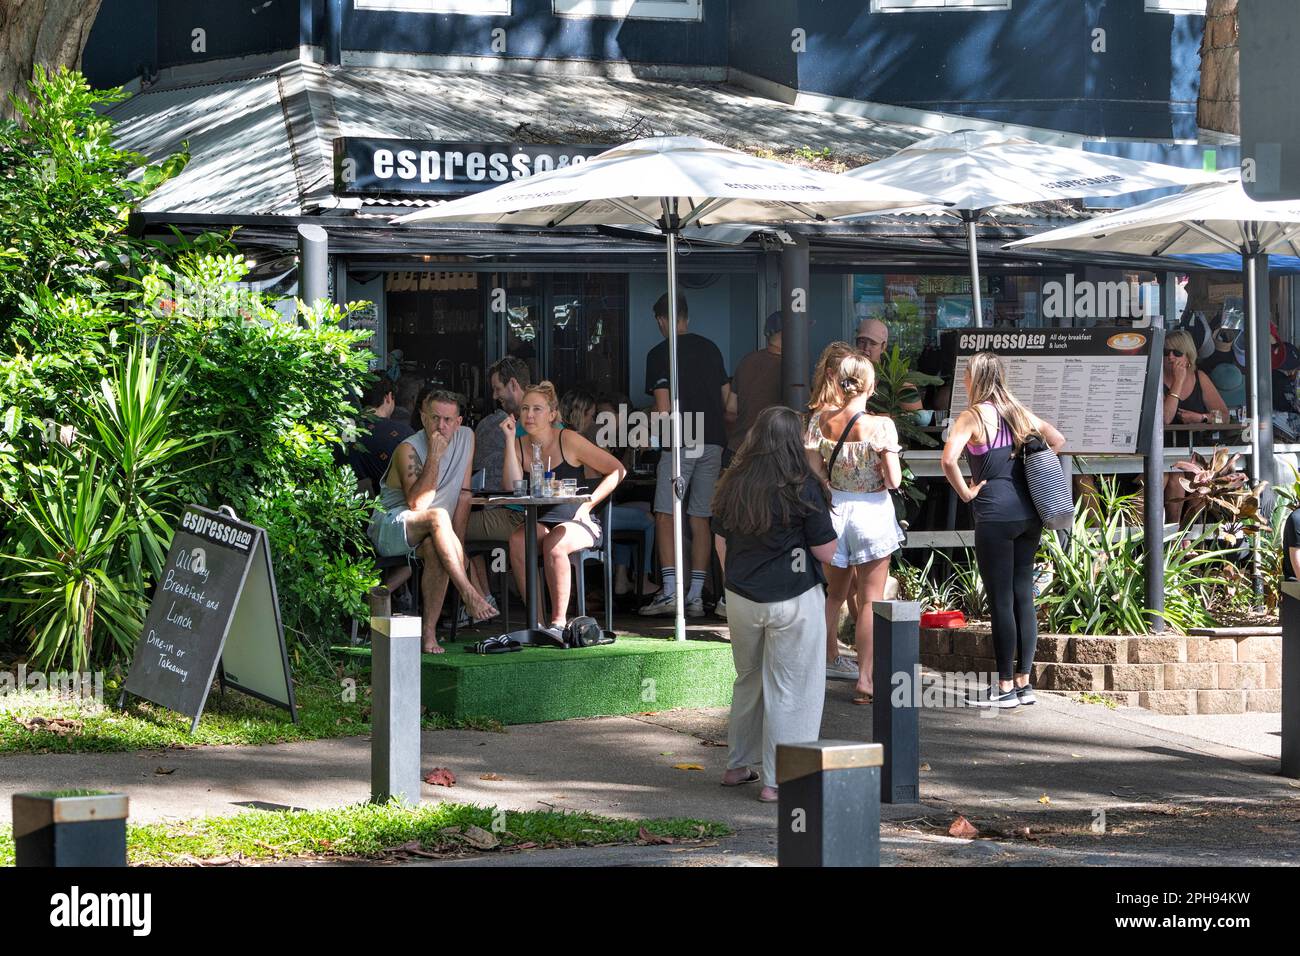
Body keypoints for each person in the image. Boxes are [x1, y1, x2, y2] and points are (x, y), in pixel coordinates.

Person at [713, 406, 838, 803]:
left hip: (741, 596)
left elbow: (720, 541)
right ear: (795, 442)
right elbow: (826, 551)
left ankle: (737, 765)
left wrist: (735, 579)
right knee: (792, 687)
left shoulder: (733, 482)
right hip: (794, 598)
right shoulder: (805, 486)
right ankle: (778, 780)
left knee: (748, 678)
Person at [941, 352, 1065, 709]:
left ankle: (1005, 686)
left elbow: (948, 459)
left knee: (1000, 600)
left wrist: (966, 491)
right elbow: (1057, 439)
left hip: (994, 515)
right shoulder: (1018, 412)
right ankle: (1025, 683)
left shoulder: (972, 416)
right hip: (1029, 514)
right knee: (1023, 595)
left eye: (966, 376)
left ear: (974, 379)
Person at [805, 343, 905, 701]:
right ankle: (866, 680)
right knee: (870, 599)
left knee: (831, 597)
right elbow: (893, 480)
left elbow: (814, 473)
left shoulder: (821, 420)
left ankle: (813, 670)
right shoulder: (881, 426)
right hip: (872, 513)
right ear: (870, 386)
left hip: (835, 511)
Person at [369, 389, 499, 654]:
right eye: (435, 418)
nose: (441, 426)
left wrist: (456, 545)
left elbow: (463, 495)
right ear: (423, 418)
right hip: (393, 525)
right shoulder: (408, 449)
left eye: (448, 420)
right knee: (438, 515)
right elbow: (418, 504)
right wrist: (435, 456)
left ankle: (428, 635)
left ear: (459, 422)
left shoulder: (466, 438)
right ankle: (469, 592)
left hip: (434, 530)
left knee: (438, 551)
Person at [502, 382, 626, 638]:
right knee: (517, 540)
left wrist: (588, 505)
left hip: (579, 520)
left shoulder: (567, 439)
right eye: (525, 408)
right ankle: (535, 622)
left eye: (537, 409)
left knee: (555, 541)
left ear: (552, 413)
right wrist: (508, 440)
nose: (529, 415)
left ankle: (558, 623)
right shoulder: (520, 443)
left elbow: (617, 470)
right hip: (543, 518)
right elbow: (511, 486)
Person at [639, 291, 733, 618]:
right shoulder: (711, 348)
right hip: (714, 441)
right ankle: (694, 595)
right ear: (686, 316)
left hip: (682, 441)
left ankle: (669, 592)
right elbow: (726, 401)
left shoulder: (659, 353)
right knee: (700, 517)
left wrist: (644, 430)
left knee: (665, 513)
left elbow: (664, 410)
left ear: (662, 320)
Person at [464, 356, 532, 602]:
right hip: (530, 515)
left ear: (513, 384)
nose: (494, 396)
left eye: (497, 389)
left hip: (519, 515)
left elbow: (506, 486)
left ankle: (478, 602)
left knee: (448, 528)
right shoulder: (529, 421)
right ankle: (483, 597)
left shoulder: (521, 424)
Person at [1163, 328, 1229, 523]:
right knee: (1175, 479)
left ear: (1188, 354)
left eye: (1176, 353)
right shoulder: (1157, 378)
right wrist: (1178, 381)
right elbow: (1165, 418)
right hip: (1166, 454)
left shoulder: (1200, 377)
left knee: (1201, 481)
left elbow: (1224, 417)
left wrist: (1201, 418)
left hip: (1195, 454)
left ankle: (1186, 536)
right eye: (1165, 352)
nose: (1170, 357)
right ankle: (1173, 536)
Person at [726, 311, 785, 461]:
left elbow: (730, 410)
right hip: (771, 453)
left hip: (738, 448)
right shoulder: (791, 369)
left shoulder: (747, 361)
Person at [348, 378, 415, 492]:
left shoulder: (344, 428)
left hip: (342, 501)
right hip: (386, 505)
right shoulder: (404, 433)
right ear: (388, 397)